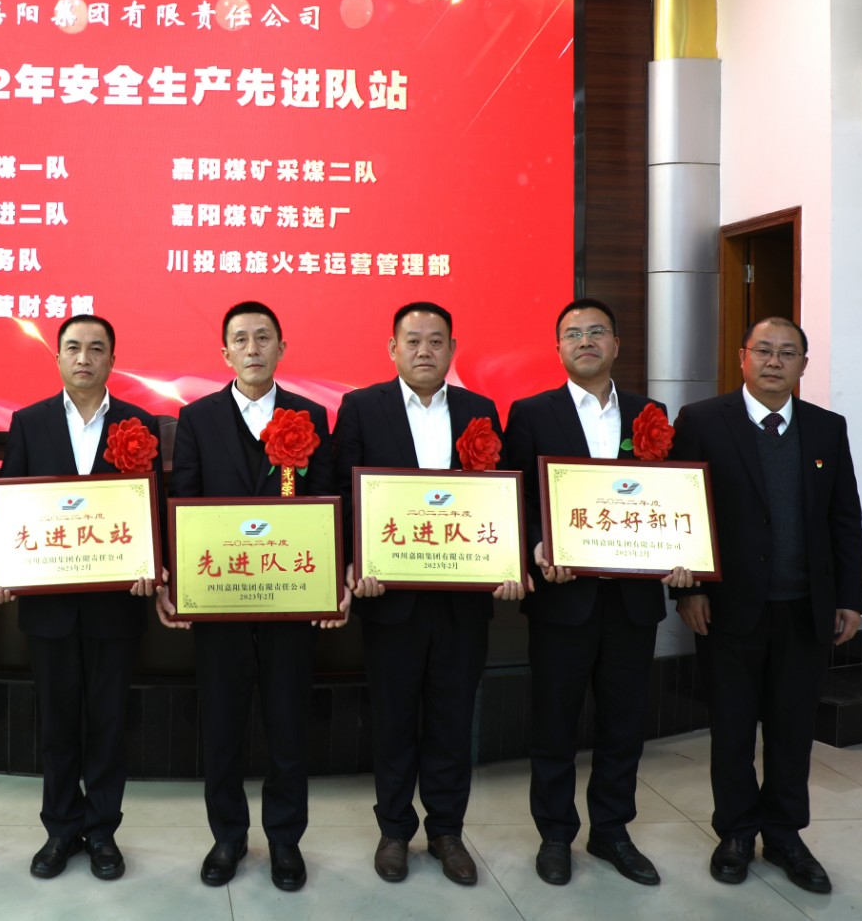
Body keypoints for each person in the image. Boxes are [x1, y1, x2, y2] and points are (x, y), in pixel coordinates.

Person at [500, 298, 694, 887]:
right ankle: (555, 834)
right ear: (558, 347)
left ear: (616, 344)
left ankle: (611, 830)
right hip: (563, 599)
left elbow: (669, 496)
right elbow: (515, 496)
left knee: (623, 723)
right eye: (573, 333)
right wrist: (537, 546)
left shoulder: (649, 414)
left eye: (596, 332)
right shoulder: (531, 413)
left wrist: (681, 553)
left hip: (632, 602)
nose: (585, 341)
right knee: (554, 723)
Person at [331, 301, 525, 886]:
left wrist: (508, 559)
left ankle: (446, 831)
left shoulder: (478, 410)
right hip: (389, 597)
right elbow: (344, 493)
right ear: (392, 349)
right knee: (392, 720)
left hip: (462, 601)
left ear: (452, 349)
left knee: (452, 718)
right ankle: (394, 829)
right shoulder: (362, 407)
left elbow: (498, 498)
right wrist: (354, 562)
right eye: (412, 340)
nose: (424, 351)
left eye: (435, 341)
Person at [671, 317, 862, 894]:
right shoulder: (702, 420)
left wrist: (850, 597)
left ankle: (784, 834)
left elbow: (844, 517)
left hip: (805, 606)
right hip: (727, 606)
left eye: (787, 353)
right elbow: (682, 508)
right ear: (742, 357)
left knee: (792, 728)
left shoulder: (827, 428)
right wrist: (688, 590)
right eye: (764, 350)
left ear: (804, 364)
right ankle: (735, 832)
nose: (774, 361)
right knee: (731, 727)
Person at [160, 301, 347, 893]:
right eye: (240, 339)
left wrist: (331, 582)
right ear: (225, 353)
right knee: (222, 724)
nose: (252, 348)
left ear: (281, 348)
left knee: (288, 722)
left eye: (263, 337)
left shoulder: (310, 415)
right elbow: (184, 501)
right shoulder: (197, 418)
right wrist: (180, 584)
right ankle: (228, 836)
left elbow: (326, 500)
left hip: (290, 598)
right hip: (220, 600)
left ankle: (286, 839)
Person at [0, 315, 160, 881]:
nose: (84, 358)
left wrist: (152, 562)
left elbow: (154, 504)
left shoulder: (138, 423)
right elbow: (10, 500)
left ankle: (102, 831)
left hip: (115, 604)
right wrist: (0, 565)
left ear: (112, 360)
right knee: (57, 724)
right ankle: (60, 829)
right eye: (74, 348)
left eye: (96, 348)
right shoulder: (29, 422)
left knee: (107, 722)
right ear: (57, 358)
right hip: (49, 607)